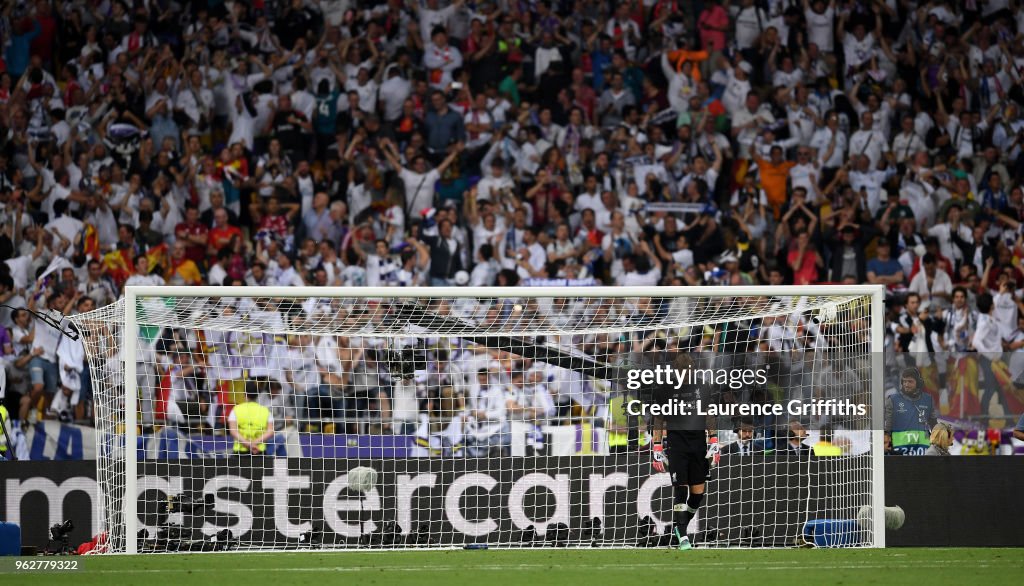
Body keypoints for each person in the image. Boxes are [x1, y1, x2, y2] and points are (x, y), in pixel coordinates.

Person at [650, 355, 719, 551]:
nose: (687, 373)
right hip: (676, 445)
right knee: (680, 489)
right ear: (676, 370)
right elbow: (658, 417)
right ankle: (683, 537)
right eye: (683, 369)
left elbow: (709, 413)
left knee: (697, 496)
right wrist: (657, 445)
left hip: (698, 445)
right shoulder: (665, 389)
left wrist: (713, 439)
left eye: (691, 369)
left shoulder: (703, 386)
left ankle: (679, 527)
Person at [884, 367, 937, 455]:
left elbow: (934, 425)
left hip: (922, 450)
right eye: (904, 381)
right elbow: (888, 428)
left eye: (910, 381)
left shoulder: (928, 400)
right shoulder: (893, 400)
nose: (906, 384)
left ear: (918, 383)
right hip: (900, 450)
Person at [229, 381, 276, 455]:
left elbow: (233, 431)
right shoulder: (266, 411)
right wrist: (254, 443)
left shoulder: (236, 410)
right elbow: (270, 431)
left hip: (240, 451)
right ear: (257, 395)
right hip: (259, 450)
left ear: (245, 394)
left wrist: (248, 444)